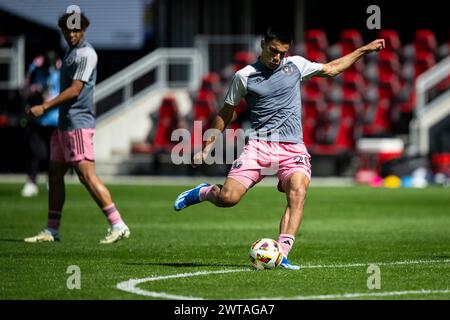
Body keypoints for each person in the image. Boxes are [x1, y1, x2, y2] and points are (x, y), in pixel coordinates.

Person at [174, 26, 385, 269]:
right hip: (260, 146)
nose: (277, 57)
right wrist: (207, 147)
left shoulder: (295, 65)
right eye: (273, 51)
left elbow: (331, 69)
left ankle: (281, 254)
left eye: (282, 53)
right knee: (229, 198)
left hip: (293, 148)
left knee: (298, 190)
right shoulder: (244, 76)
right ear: (263, 44)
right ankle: (203, 192)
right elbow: (226, 112)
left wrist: (364, 49)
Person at [24, 12, 130, 244]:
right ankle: (52, 230)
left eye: (76, 29)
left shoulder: (86, 54)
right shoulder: (71, 52)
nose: (72, 33)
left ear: (84, 29)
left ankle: (118, 224)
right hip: (64, 124)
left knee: (85, 175)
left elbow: (75, 90)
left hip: (78, 124)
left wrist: (44, 106)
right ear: (63, 30)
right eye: (68, 29)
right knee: (54, 175)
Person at [21, 50, 61, 197]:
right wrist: (35, 92)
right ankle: (31, 182)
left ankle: (51, 180)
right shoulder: (35, 66)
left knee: (53, 154)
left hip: (54, 118)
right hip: (37, 118)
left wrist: (52, 99)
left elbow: (68, 91)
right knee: (34, 151)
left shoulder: (62, 67)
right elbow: (25, 88)